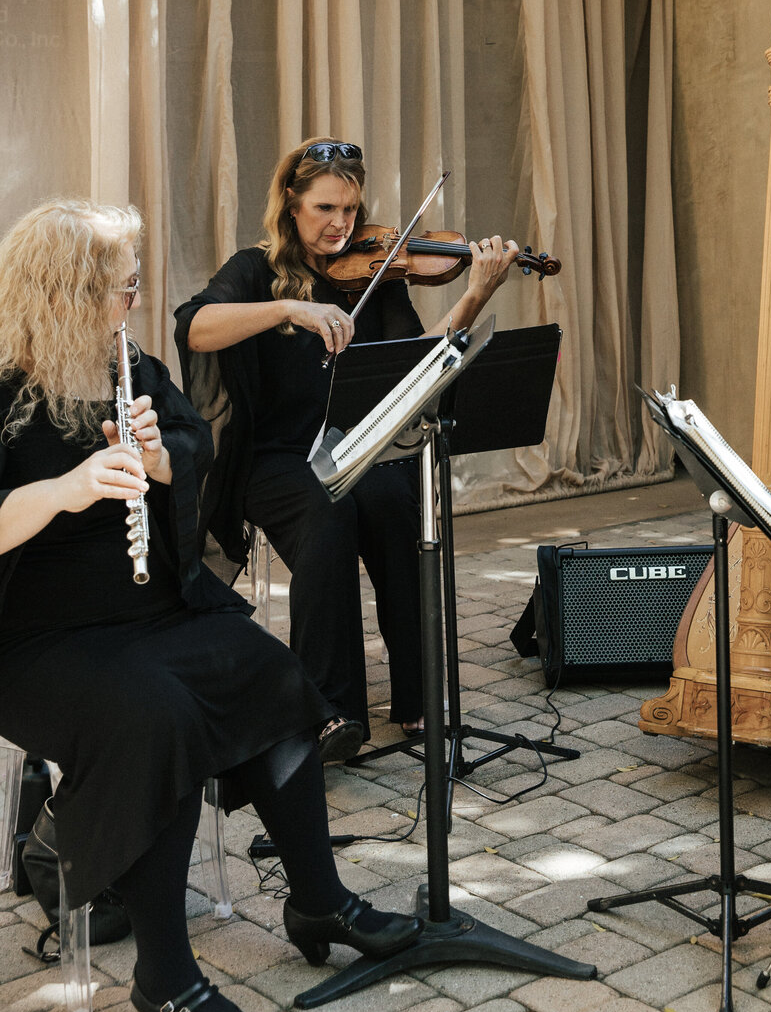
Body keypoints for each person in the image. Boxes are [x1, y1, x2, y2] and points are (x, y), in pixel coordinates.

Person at [0, 199, 421, 1012]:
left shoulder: (126, 364)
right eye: (121, 289)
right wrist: (62, 489)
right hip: (38, 641)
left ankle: (319, 900)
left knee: (271, 671)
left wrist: (163, 460)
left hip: (152, 613)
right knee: (156, 718)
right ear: (66, 294)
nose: (133, 303)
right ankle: (165, 978)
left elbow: (195, 440)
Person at [176, 138, 518, 762]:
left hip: (352, 445)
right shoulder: (253, 270)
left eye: (351, 210)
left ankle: (418, 693)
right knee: (326, 513)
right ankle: (328, 708)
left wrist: (476, 294)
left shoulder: (376, 273)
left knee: (395, 501)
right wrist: (289, 308)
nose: (340, 224)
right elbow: (194, 327)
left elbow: (418, 364)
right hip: (273, 457)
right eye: (325, 208)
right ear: (291, 203)